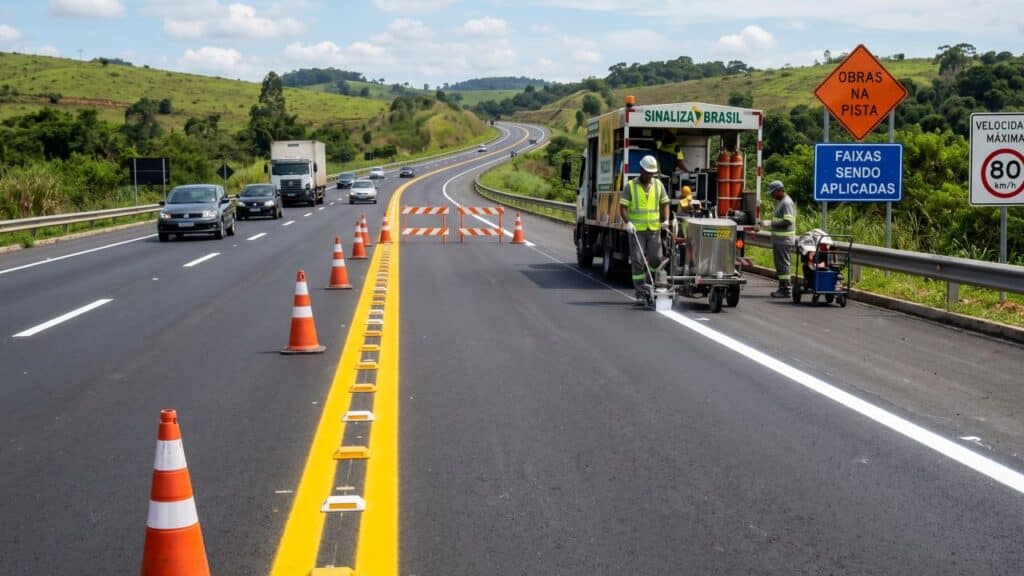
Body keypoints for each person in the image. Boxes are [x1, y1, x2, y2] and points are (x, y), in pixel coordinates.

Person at [620, 155, 670, 304]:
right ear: (641, 170)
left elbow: (665, 203)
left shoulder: (658, 185)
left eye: (652, 173)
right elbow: (623, 207)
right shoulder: (630, 186)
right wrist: (628, 222)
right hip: (637, 231)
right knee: (638, 261)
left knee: (656, 260)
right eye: (647, 172)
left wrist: (666, 219)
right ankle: (640, 292)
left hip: (654, 229)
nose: (649, 175)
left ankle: (650, 284)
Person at [762, 180, 797, 297]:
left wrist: (769, 223)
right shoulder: (781, 202)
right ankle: (782, 288)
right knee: (780, 266)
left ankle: (786, 290)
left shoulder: (786, 203)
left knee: (783, 265)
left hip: (784, 240)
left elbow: (788, 221)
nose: (772, 195)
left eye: (773, 193)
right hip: (780, 240)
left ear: (779, 190)